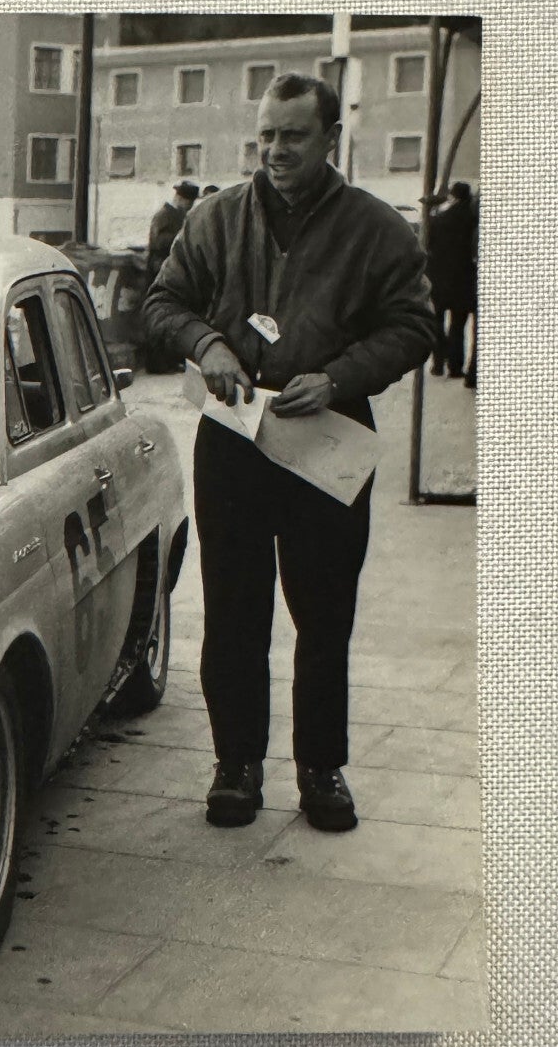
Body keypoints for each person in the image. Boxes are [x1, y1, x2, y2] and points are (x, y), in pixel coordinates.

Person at [143, 73, 436, 834]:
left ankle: (321, 769)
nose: (275, 150)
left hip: (328, 439)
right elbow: (162, 302)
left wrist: (339, 377)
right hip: (234, 437)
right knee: (233, 610)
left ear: (331, 138)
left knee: (325, 614)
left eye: (293, 136)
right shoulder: (213, 219)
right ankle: (236, 765)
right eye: (267, 135)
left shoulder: (377, 228)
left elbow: (414, 326)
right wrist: (207, 344)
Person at [143, 180, 199, 371]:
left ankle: (169, 360)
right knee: (160, 317)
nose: (190, 206)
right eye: (189, 202)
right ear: (180, 198)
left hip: (171, 271)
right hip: (159, 271)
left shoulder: (178, 215)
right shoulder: (164, 215)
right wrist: (181, 236)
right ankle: (156, 363)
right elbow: (158, 242)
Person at [426, 181, 478, 381]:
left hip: (438, 279)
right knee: (458, 324)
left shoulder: (438, 219)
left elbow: (429, 246)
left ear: (453, 196)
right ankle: (455, 366)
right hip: (463, 280)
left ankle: (438, 363)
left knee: (437, 322)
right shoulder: (472, 220)